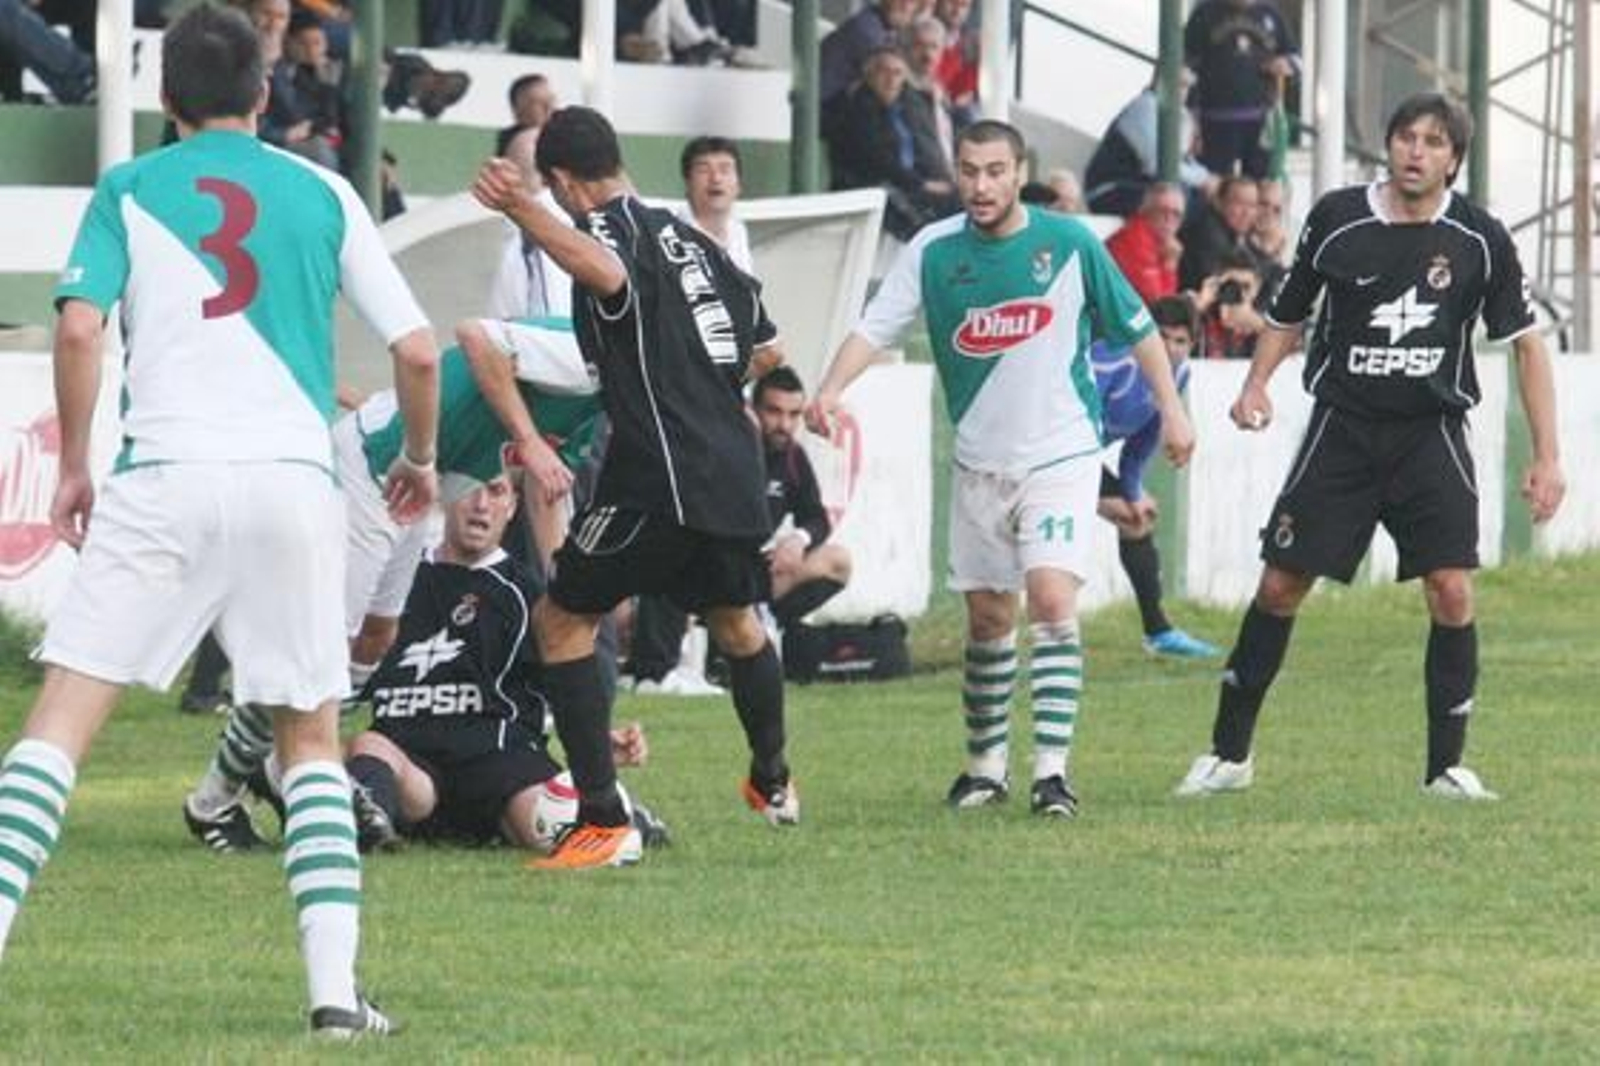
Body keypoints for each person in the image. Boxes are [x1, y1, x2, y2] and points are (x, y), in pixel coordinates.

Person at [0, 3, 440, 1038]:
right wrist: (418, 461)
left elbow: (75, 327)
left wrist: (73, 461)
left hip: (165, 475)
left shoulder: (128, 187)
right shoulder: (326, 190)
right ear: (263, 89)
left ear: (165, 100)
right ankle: (334, 995)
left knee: (60, 723)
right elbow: (418, 350)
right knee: (311, 736)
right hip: (293, 484)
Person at [1175, 93, 1565, 801]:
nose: (1416, 151)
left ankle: (1446, 766)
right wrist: (1257, 384)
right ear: (1387, 146)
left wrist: (1547, 455)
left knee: (1450, 590)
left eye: (1434, 142)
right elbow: (1286, 314)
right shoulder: (1336, 217)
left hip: (1431, 434)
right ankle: (1229, 754)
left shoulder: (1480, 238)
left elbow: (1526, 348)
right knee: (1280, 584)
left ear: (1454, 160)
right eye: (1405, 136)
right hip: (1343, 430)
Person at [808, 120, 1195, 818]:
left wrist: (1174, 411)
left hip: (1063, 454)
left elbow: (1139, 327)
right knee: (988, 617)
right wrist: (831, 389)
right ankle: (986, 768)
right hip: (981, 461)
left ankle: (1053, 774)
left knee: (1050, 597)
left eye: (994, 170)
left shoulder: (1070, 243)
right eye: (968, 171)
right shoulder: (933, 250)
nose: (981, 185)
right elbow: (875, 328)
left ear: (1020, 172)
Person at [472, 105, 797, 869]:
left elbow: (605, 270)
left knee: (562, 620)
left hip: (659, 473)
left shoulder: (612, 231)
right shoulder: (696, 240)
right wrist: (695, 378)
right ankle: (773, 777)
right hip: (732, 468)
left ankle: (601, 819)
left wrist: (519, 207)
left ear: (560, 181)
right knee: (735, 621)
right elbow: (768, 350)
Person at [182, 315, 600, 851]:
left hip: (418, 479)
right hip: (374, 462)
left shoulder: (604, 400)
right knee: (320, 651)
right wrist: (525, 438)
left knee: (376, 638)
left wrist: (563, 595)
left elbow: (546, 490)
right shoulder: (589, 352)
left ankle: (275, 767)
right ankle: (236, 794)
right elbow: (474, 336)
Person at [344, 472, 667, 856]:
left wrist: (595, 741)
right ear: (446, 493)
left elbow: (564, 681)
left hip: (499, 765)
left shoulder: (525, 594)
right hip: (413, 762)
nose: (481, 504)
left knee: (555, 830)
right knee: (368, 745)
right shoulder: (399, 581)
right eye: (469, 489)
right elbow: (359, 668)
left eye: (495, 491)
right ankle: (370, 821)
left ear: (512, 506)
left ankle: (630, 819)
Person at [627, 134, 761, 697]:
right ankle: (656, 663)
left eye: (726, 168)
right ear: (687, 180)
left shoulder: (741, 236)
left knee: (716, 535)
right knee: (672, 525)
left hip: (727, 406)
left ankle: (692, 658)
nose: (716, 178)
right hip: (679, 408)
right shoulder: (668, 235)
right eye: (705, 169)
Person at [1091, 296, 1217, 659]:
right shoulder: (1112, 360)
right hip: (1054, 452)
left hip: (1080, 460)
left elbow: (1145, 437)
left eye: (1181, 341)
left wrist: (1132, 489)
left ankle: (1159, 633)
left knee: (1135, 518)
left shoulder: (1176, 376)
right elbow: (1075, 425)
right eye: (1162, 337)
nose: (1171, 349)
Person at [752, 367, 852, 626]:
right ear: (754, 409)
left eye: (793, 414)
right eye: (773, 412)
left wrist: (798, 539)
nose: (784, 425)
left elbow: (817, 518)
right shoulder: (731, 450)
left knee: (838, 561)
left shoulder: (793, 457)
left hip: (759, 573)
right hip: (714, 571)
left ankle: (768, 624)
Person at [827, 46, 959, 241]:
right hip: (872, 184)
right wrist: (922, 183)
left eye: (897, 73)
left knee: (961, 206)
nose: (891, 80)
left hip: (908, 181)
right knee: (921, 228)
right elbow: (878, 160)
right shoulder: (857, 108)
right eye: (883, 72)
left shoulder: (907, 106)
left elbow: (926, 149)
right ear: (869, 76)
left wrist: (942, 179)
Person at [1183, 0, 1298, 179]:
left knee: (1261, 183)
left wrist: (1285, 64)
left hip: (1262, 120)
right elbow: (1186, 64)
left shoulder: (1271, 14)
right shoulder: (1204, 13)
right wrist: (1191, 121)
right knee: (1215, 185)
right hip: (1214, 120)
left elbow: (1295, 58)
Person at [1105, 181, 1187, 306]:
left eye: (1176, 214)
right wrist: (1170, 265)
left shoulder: (1161, 243)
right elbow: (1160, 305)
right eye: (1162, 211)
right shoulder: (1134, 239)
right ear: (1144, 211)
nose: (1169, 219)